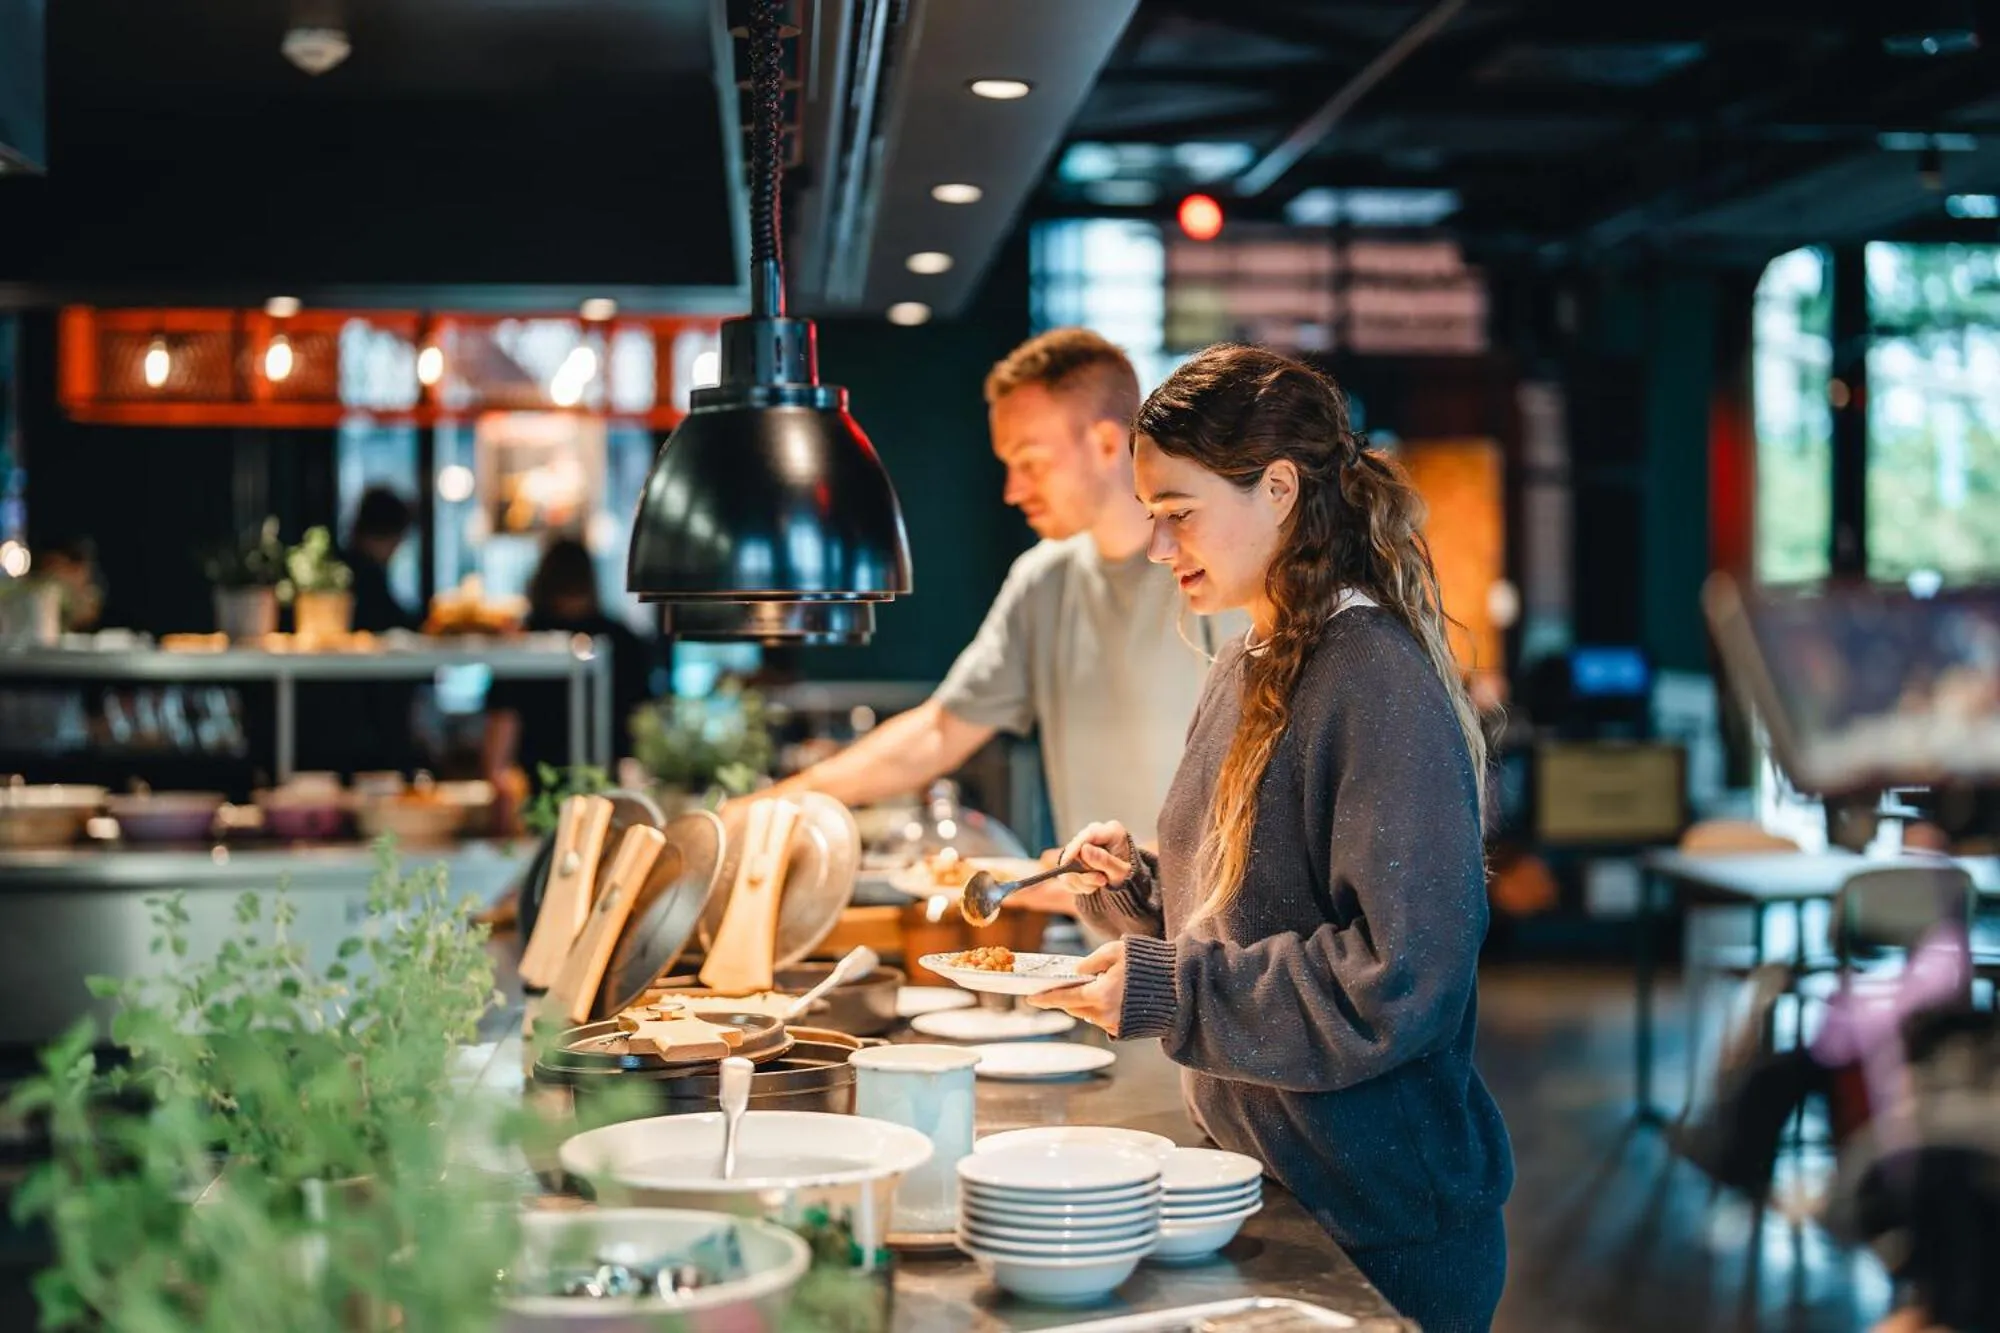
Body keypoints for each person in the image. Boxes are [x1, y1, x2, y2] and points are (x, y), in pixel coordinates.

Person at [1028, 344, 1514, 1332]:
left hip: (1384, 1233)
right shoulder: (1249, 658)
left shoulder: (1371, 679)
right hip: (1273, 1186)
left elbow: (1397, 978)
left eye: (1177, 513)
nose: (1159, 548)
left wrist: (1172, 984)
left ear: (1279, 488)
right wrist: (1135, 891)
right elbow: (1264, 903)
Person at [757, 328, 1243, 858]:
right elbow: (941, 729)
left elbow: (1260, 798)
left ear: (1106, 443)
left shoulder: (1217, 572)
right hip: (1102, 926)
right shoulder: (1044, 580)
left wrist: (1137, 869)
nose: (1012, 490)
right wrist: (782, 805)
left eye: (1030, 462)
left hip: (1215, 934)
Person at [483, 537, 658, 822]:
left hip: (538, 793)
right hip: (609, 795)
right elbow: (644, 724)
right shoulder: (621, 638)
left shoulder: (525, 640)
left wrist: (499, 789)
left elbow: (502, 723)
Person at [343, 487, 421, 633]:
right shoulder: (364, 573)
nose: (395, 551)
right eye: (396, 542)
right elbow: (389, 619)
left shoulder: (361, 567)